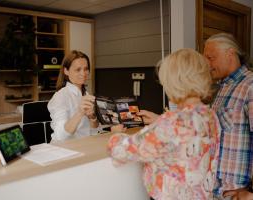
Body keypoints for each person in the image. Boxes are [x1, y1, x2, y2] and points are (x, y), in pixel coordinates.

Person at [108, 48, 220, 200]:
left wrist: (115, 134)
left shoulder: (172, 122)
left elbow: (122, 151)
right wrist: (158, 121)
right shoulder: (210, 115)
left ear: (175, 81)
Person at [203, 33, 253, 198]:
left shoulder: (250, 86)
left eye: (211, 58)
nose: (207, 65)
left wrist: (251, 192)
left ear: (230, 54)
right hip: (216, 189)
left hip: (236, 193)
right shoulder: (222, 87)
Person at [47, 50, 98, 141]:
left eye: (86, 69)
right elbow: (60, 136)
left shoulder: (86, 94)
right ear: (66, 71)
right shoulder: (60, 97)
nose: (83, 73)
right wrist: (79, 113)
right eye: (78, 69)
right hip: (64, 149)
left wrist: (92, 118)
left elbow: (93, 131)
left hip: (84, 145)